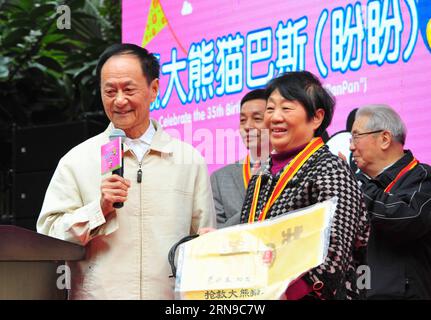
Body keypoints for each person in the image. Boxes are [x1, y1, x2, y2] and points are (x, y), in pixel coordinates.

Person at [36, 43, 216, 299]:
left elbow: (204, 242)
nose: (119, 100)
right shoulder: (77, 160)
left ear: (153, 89)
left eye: (128, 89)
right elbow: (48, 238)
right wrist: (98, 210)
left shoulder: (189, 160)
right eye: (110, 91)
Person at [240, 71, 370, 300]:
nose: (275, 117)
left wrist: (285, 293)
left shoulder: (331, 169)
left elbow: (333, 261)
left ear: (317, 118)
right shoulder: (261, 175)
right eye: (270, 109)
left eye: (286, 108)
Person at [350, 105, 431, 299]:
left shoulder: (423, 177)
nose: (351, 146)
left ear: (385, 139)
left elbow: (408, 218)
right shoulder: (363, 185)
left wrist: (356, 184)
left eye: (356, 137)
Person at [211, 89, 270, 228]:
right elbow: (216, 233)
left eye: (257, 119)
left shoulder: (289, 169)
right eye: (243, 120)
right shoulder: (220, 178)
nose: (248, 126)